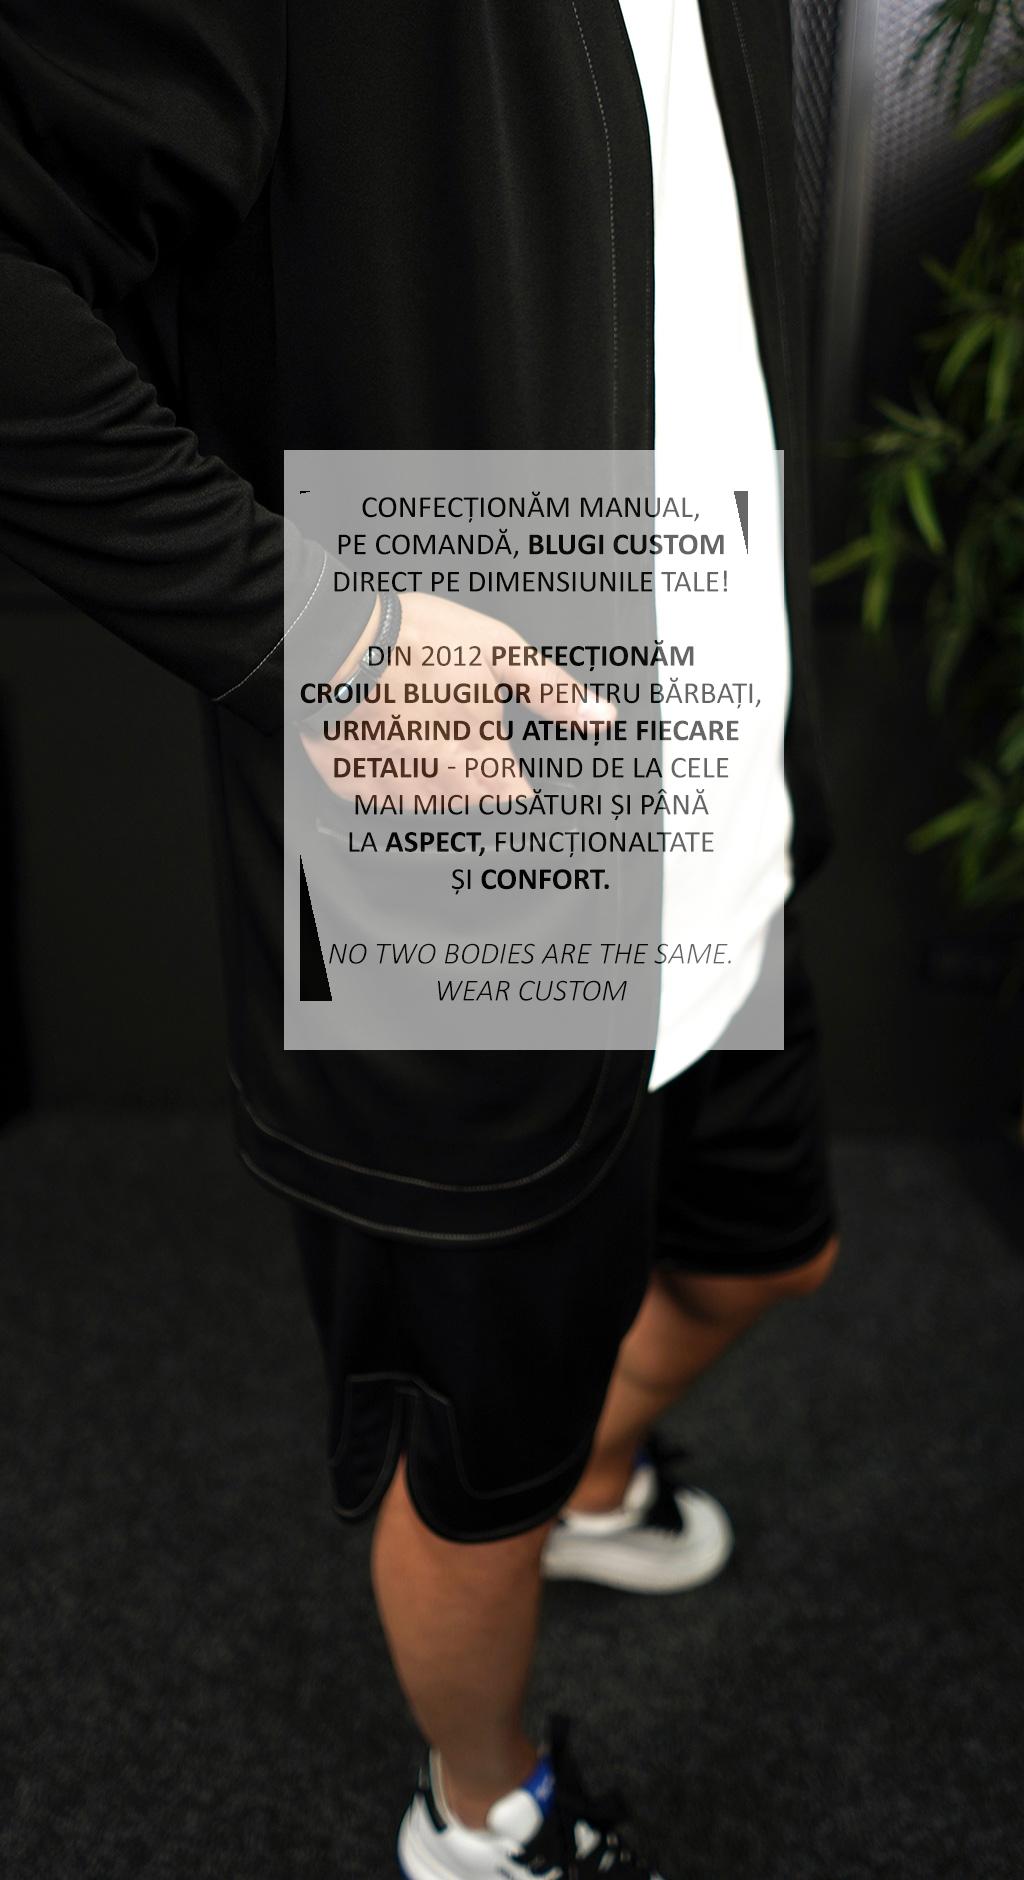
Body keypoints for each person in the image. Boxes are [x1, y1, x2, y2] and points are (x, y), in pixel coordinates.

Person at [0, 2, 837, 1874]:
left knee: (768, 1255)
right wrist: (320, 635)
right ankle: (482, 1809)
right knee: (477, 1472)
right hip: (476, 814)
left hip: (714, 776)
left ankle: (594, 1480)